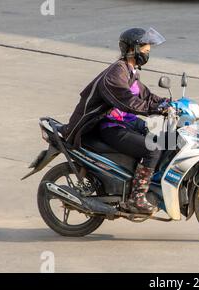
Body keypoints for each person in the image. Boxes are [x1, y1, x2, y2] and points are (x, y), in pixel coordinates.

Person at [61, 27, 170, 214]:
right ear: (132, 48)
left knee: (166, 138)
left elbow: (146, 95)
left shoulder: (130, 70)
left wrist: (169, 103)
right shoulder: (116, 74)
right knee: (153, 149)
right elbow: (128, 102)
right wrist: (154, 109)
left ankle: (150, 184)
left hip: (127, 122)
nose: (148, 50)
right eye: (145, 46)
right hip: (111, 126)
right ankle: (136, 199)